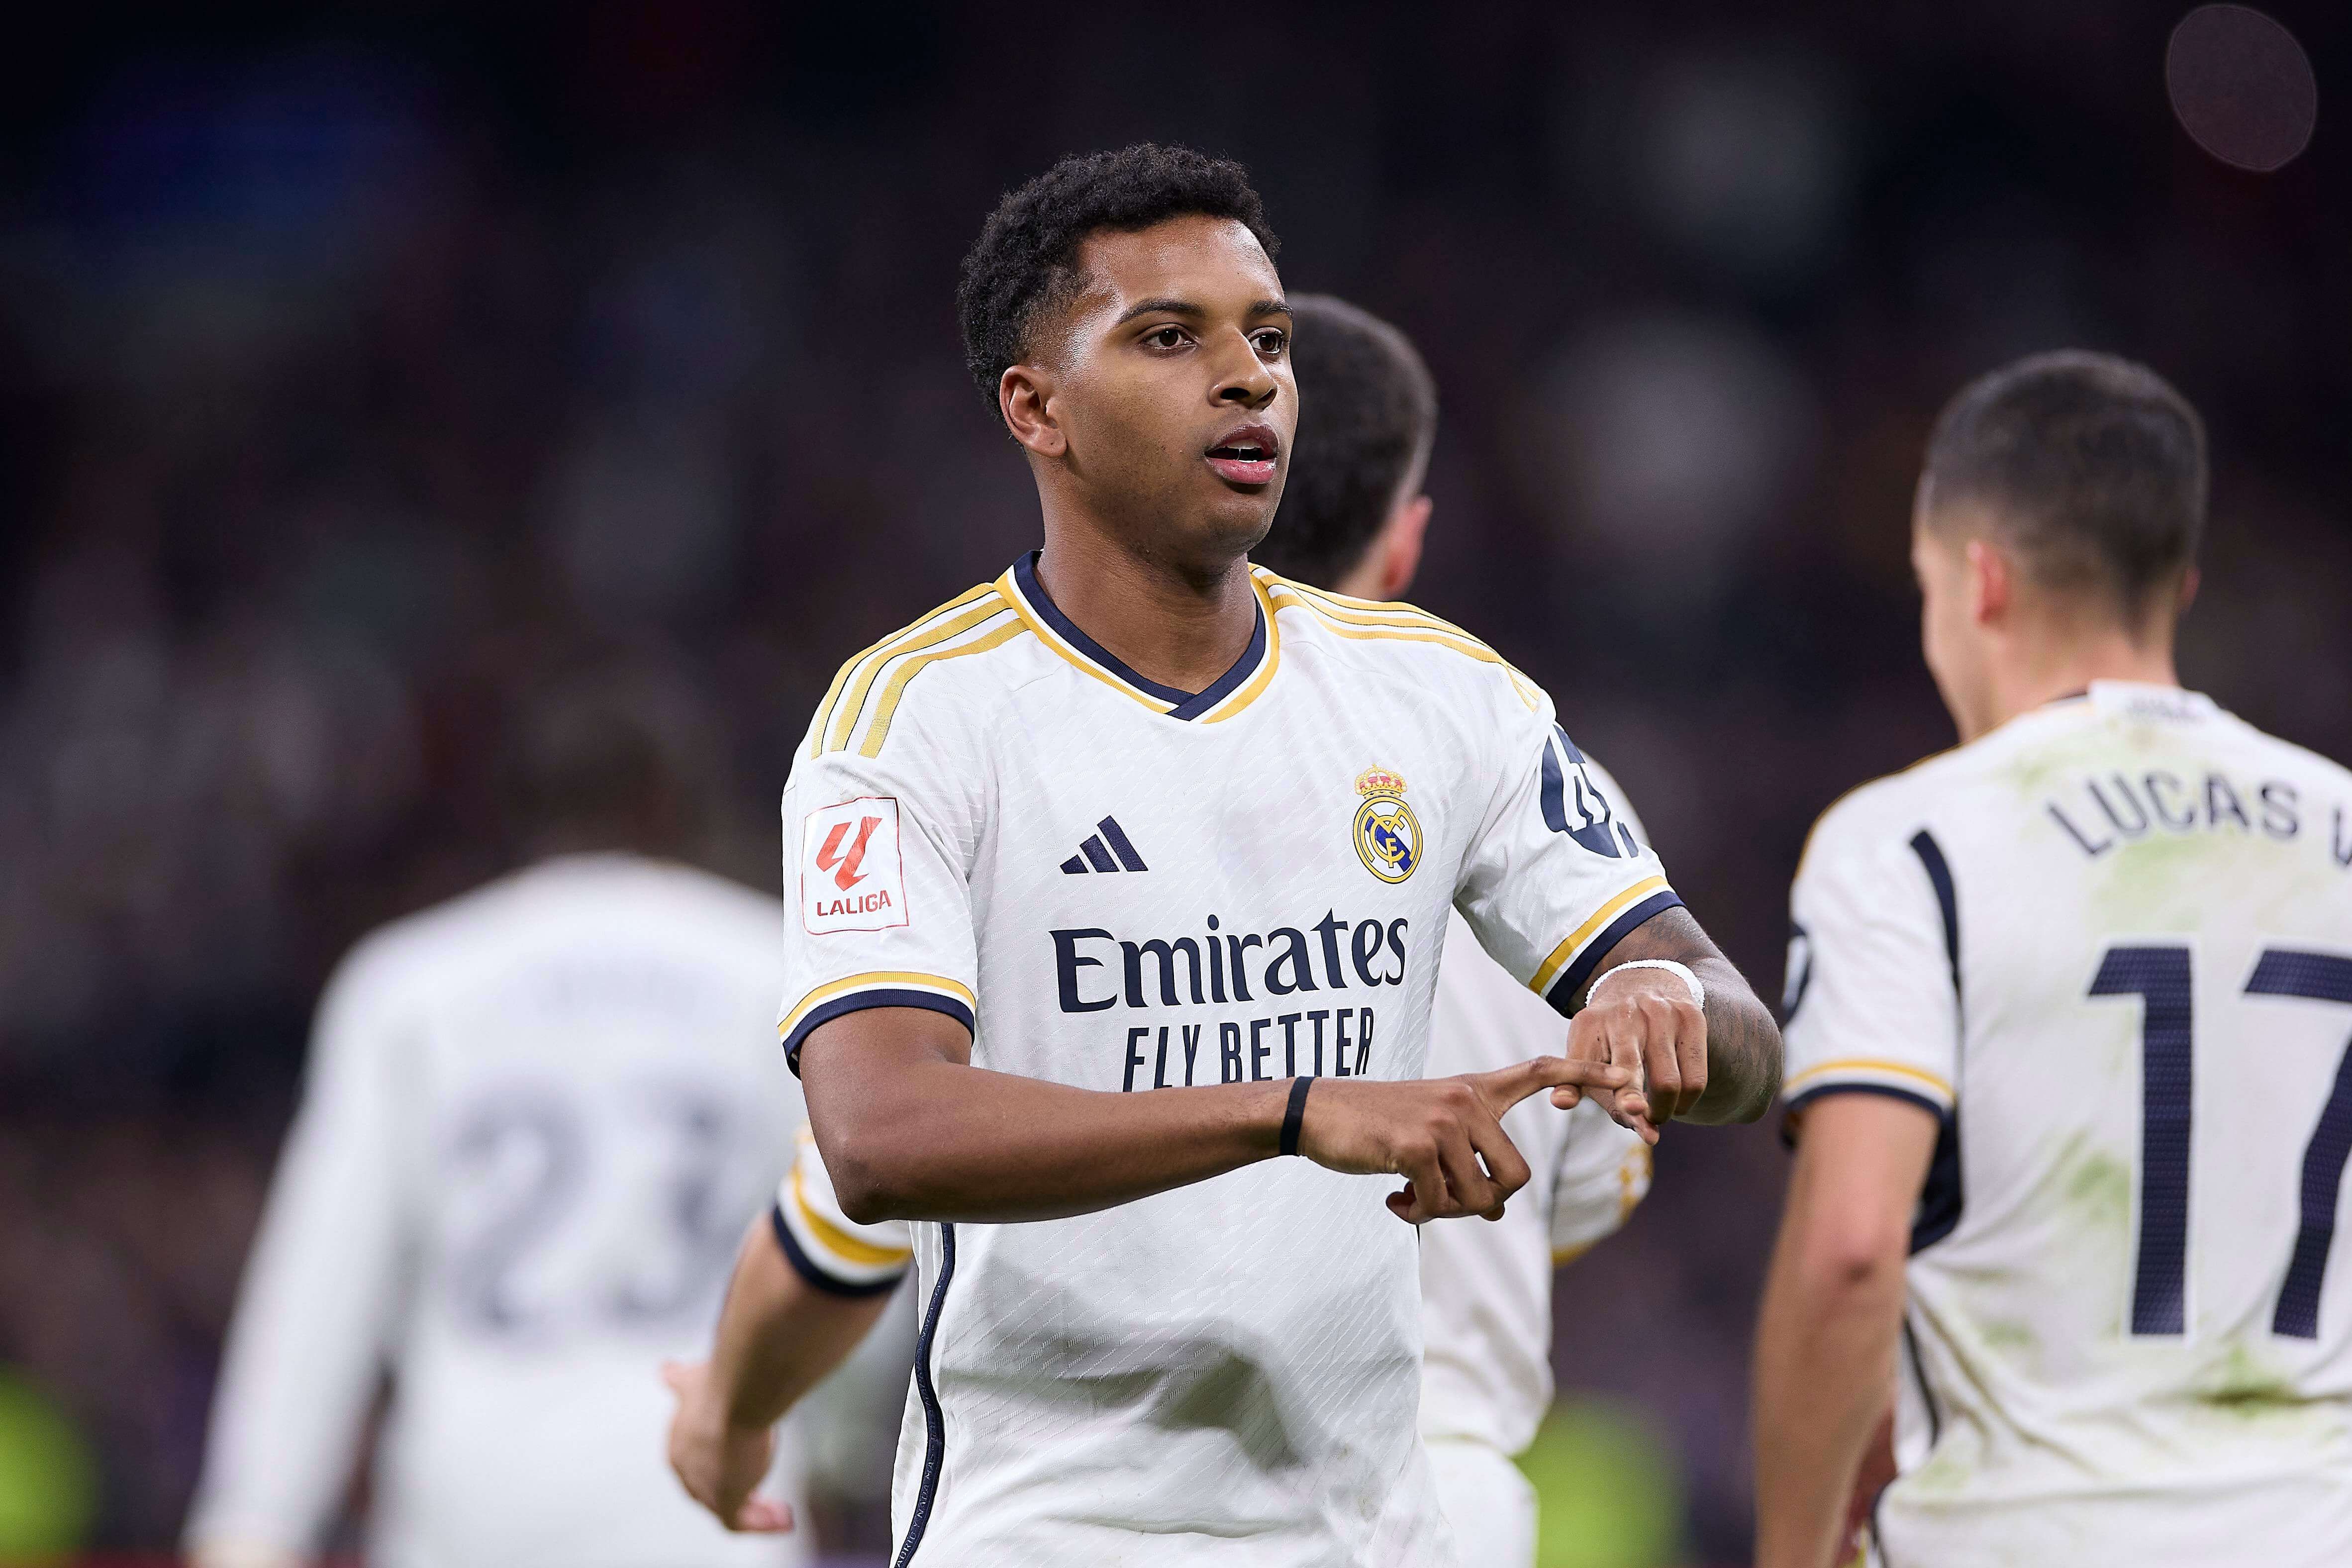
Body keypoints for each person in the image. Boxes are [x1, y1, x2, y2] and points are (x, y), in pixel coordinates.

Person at [667, 142, 1780, 1567]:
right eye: (1169, 337)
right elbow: (877, 1139)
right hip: (1056, 1533)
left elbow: (1742, 1035)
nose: (1248, 377)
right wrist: (1296, 1111)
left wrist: (1664, 997)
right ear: (1037, 407)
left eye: (1268, 339)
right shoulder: (912, 721)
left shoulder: (1441, 694)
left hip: (1366, 1538)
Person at [1751, 351, 2352, 1567]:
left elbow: (1854, 1249)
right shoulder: (2342, 823)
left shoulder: (1912, 843)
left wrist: (1793, 1549)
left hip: (2031, 1532)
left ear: (1979, 581)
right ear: (2179, 584)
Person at [185, 676, 874, 1568]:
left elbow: (323, 1279)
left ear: (517, 814)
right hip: (706, 1493)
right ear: (675, 803)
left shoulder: (410, 983)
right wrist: (844, 1446)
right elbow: (859, 1218)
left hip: (473, 1493)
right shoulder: (779, 964)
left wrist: (254, 1519)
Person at [1257, 295, 1656, 1568]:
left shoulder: (1067, 755)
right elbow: (1588, 1184)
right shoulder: (1526, 774)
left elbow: (877, 1174)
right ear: (1406, 538)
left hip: (1146, 1477)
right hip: (1437, 1490)